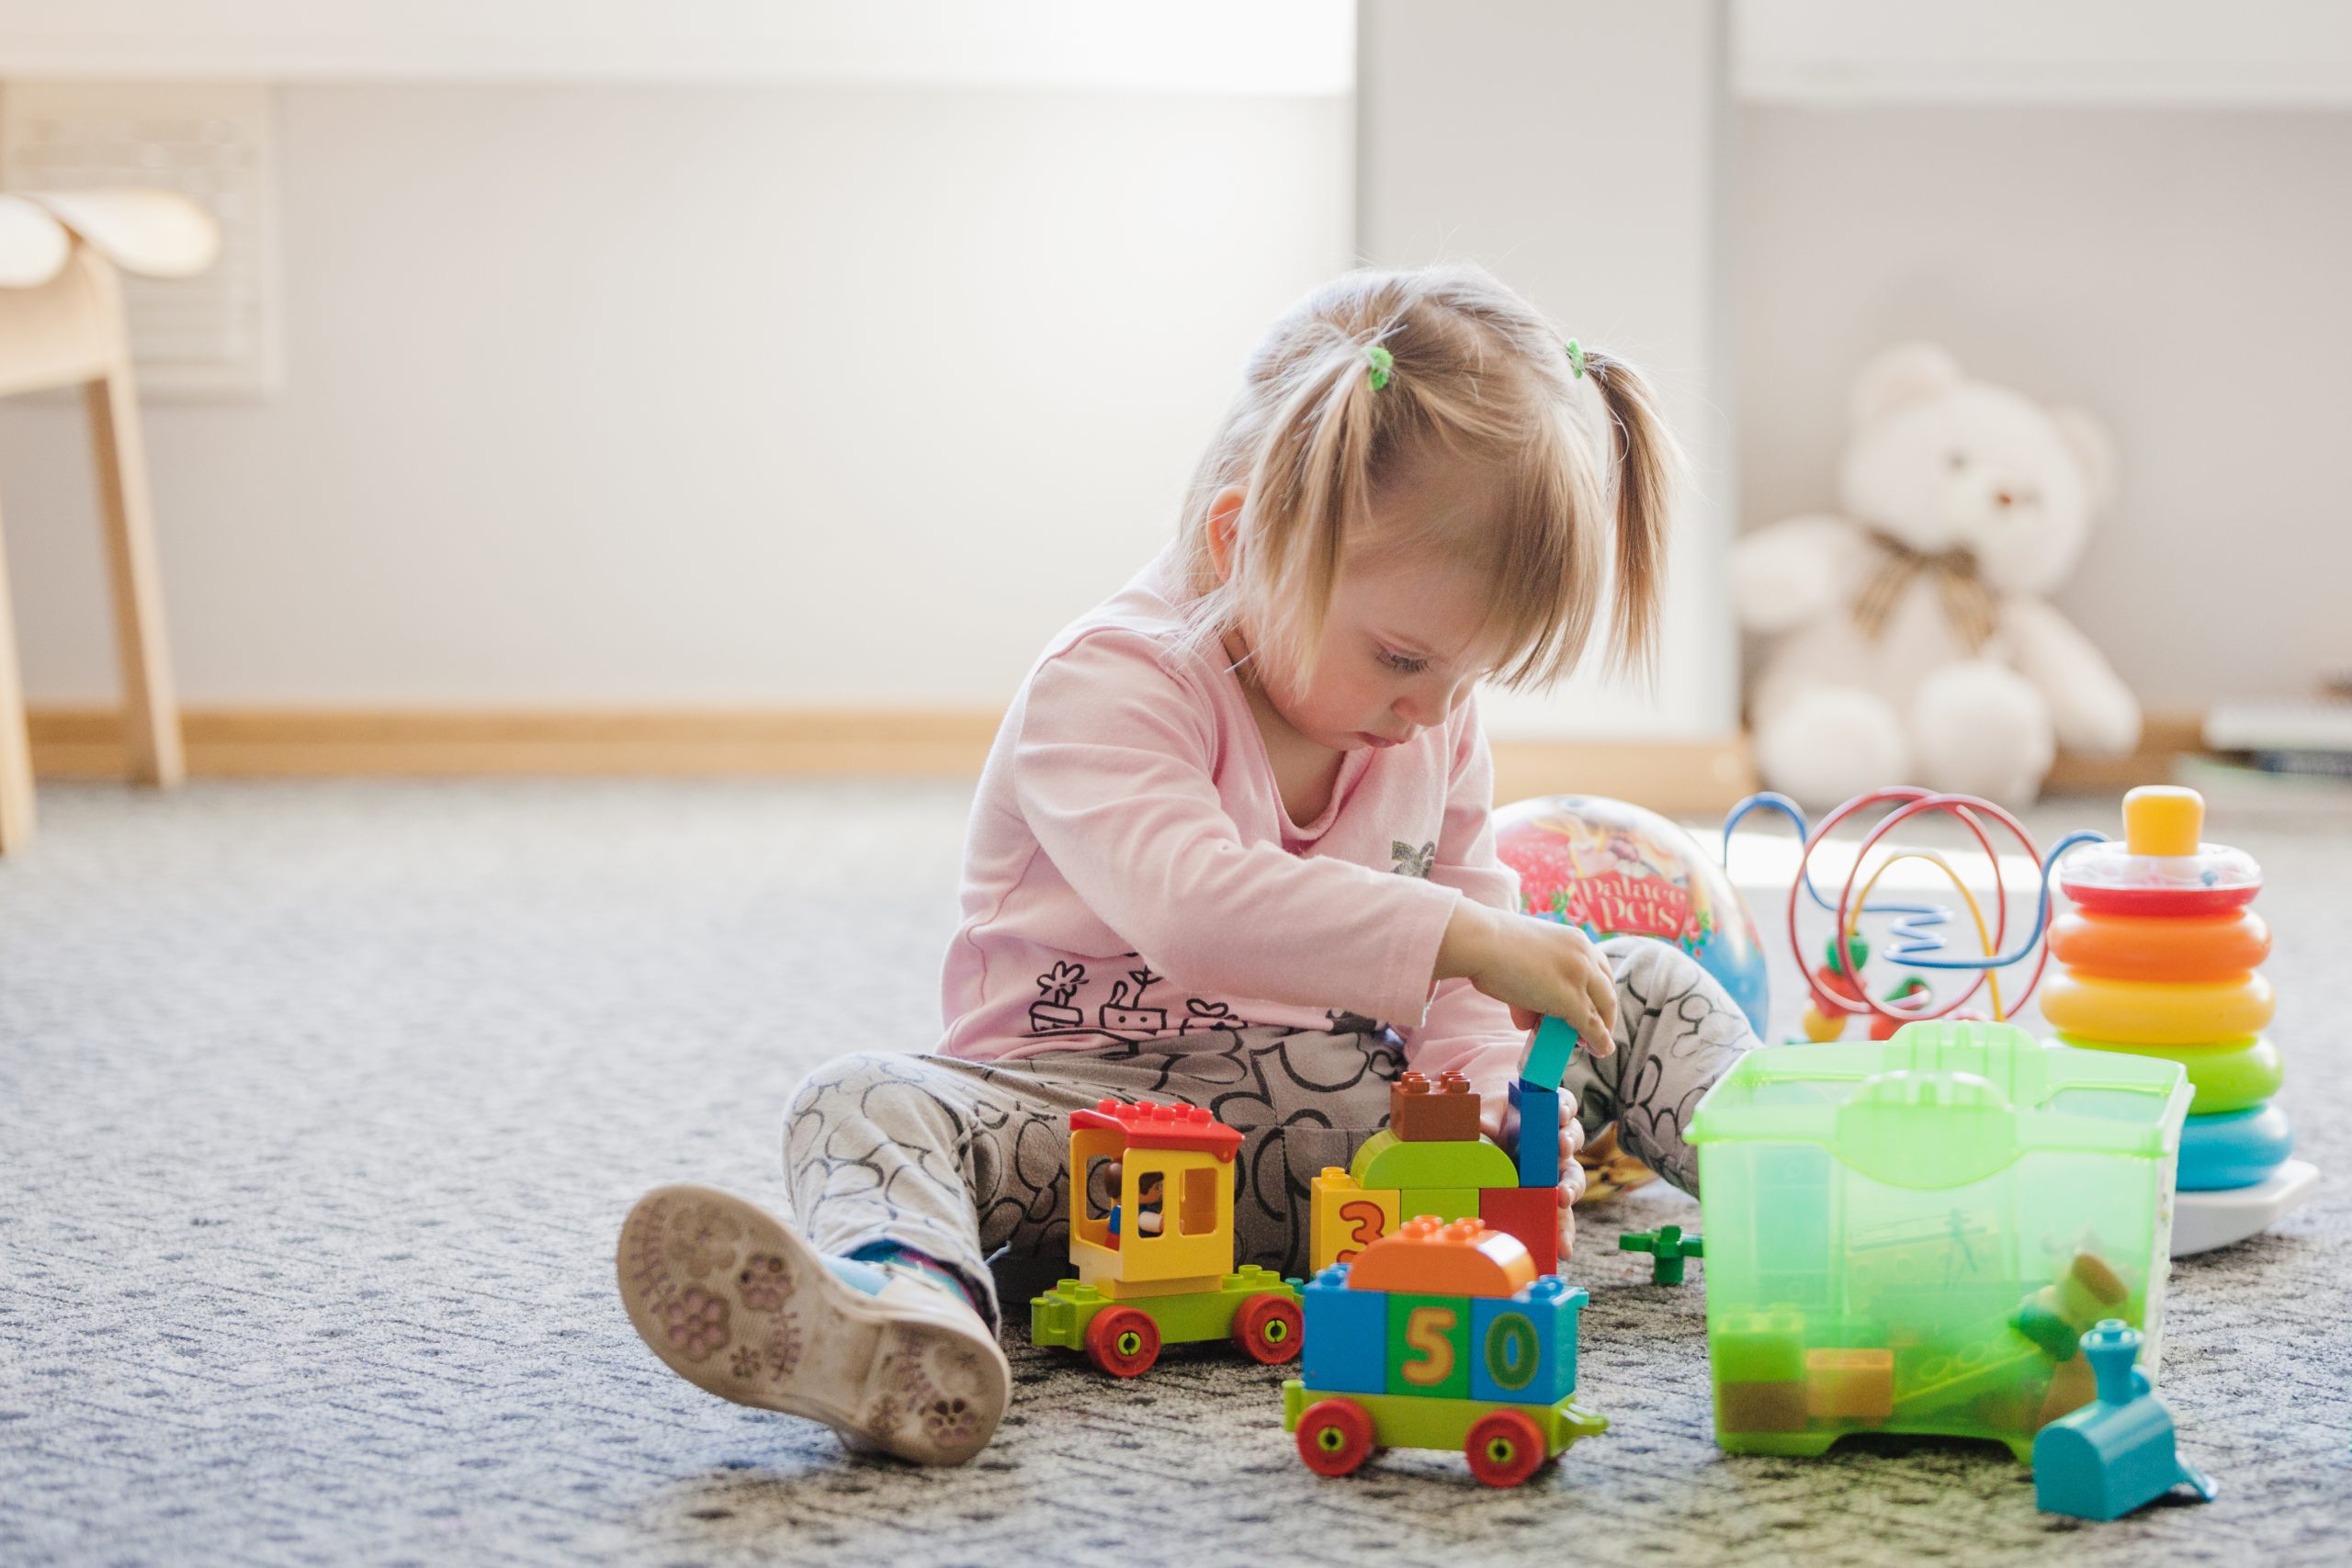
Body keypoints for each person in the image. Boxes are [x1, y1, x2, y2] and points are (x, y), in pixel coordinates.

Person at [616, 265, 1760, 1466]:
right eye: (1403, 659)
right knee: (857, 1098)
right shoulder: (1106, 686)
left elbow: (1477, 930)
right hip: (1095, 1127)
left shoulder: (1425, 722)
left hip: (1343, 1129)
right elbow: (1198, 906)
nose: (1432, 713)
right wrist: (1456, 939)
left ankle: (1800, 1201)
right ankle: (906, 1314)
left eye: (1468, 679)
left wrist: (1474, 1115)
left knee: (1633, 982)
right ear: (1239, 542)